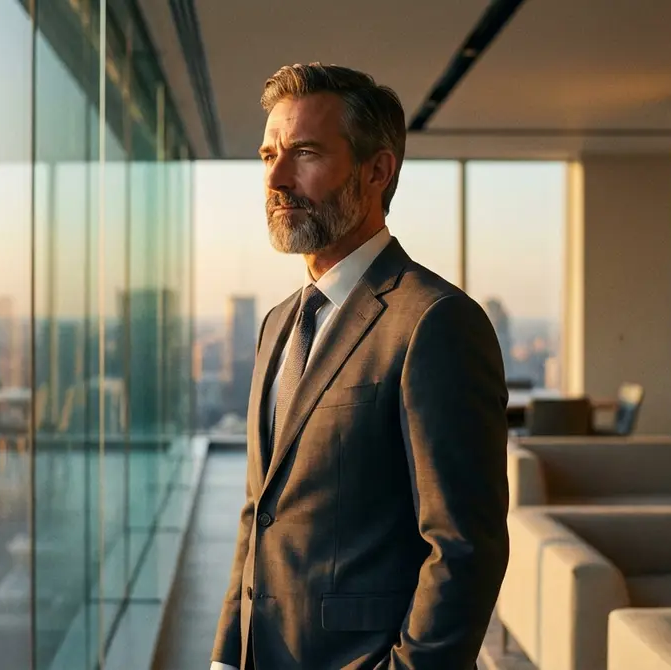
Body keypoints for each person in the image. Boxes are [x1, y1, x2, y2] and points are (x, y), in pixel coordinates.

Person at [209, 63, 510, 670]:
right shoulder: (275, 325)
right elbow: (258, 513)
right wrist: (226, 654)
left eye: (306, 153)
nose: (277, 177)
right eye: (268, 155)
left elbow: (462, 547)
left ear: (377, 170)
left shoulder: (435, 321)